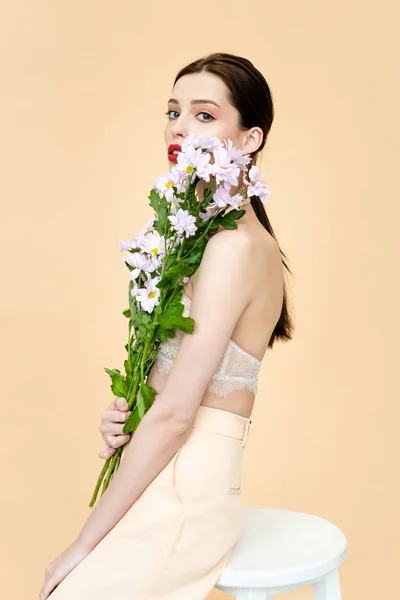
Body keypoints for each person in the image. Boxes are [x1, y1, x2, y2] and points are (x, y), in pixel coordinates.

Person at [39, 52, 294, 600]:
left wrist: (81, 546)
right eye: (174, 111)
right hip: (163, 472)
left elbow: (180, 416)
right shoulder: (202, 240)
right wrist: (129, 413)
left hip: (186, 491)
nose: (179, 127)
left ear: (250, 140)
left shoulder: (233, 248)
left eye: (204, 115)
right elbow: (169, 399)